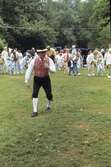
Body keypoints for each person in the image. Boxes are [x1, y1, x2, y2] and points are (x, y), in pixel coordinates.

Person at [25, 48, 56, 117]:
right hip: (37, 79)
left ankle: (48, 105)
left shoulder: (49, 60)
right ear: (38, 54)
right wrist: (27, 80)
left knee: (49, 94)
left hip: (46, 78)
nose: (43, 54)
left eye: (44, 52)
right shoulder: (34, 61)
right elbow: (29, 70)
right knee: (35, 93)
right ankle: (35, 111)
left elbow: (54, 71)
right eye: (41, 53)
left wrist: (48, 67)